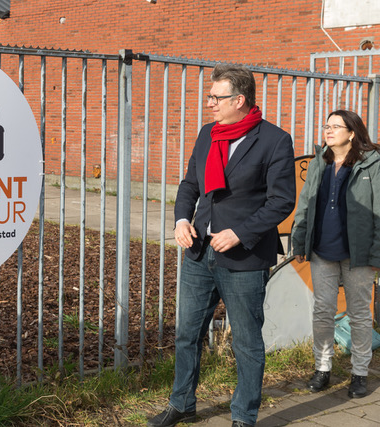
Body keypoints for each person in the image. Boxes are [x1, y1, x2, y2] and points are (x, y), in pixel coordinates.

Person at [147, 64, 296, 427]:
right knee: (187, 334)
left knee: (246, 341)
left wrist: (240, 233)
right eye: (210, 96)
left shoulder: (274, 140)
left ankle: (243, 416)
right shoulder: (208, 134)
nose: (209, 103)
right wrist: (182, 220)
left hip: (245, 257)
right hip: (200, 252)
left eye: (216, 97)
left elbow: (281, 201)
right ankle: (182, 404)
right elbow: (190, 185)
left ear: (239, 100)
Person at [291, 109, 380, 399]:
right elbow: (305, 204)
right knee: (322, 310)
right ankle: (322, 367)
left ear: (352, 133)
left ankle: (360, 372)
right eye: (326, 126)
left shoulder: (372, 164)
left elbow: (379, 211)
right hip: (322, 250)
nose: (328, 131)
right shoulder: (320, 162)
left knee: (359, 314)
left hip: (359, 254)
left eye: (335, 126)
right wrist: (300, 241)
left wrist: (376, 255)